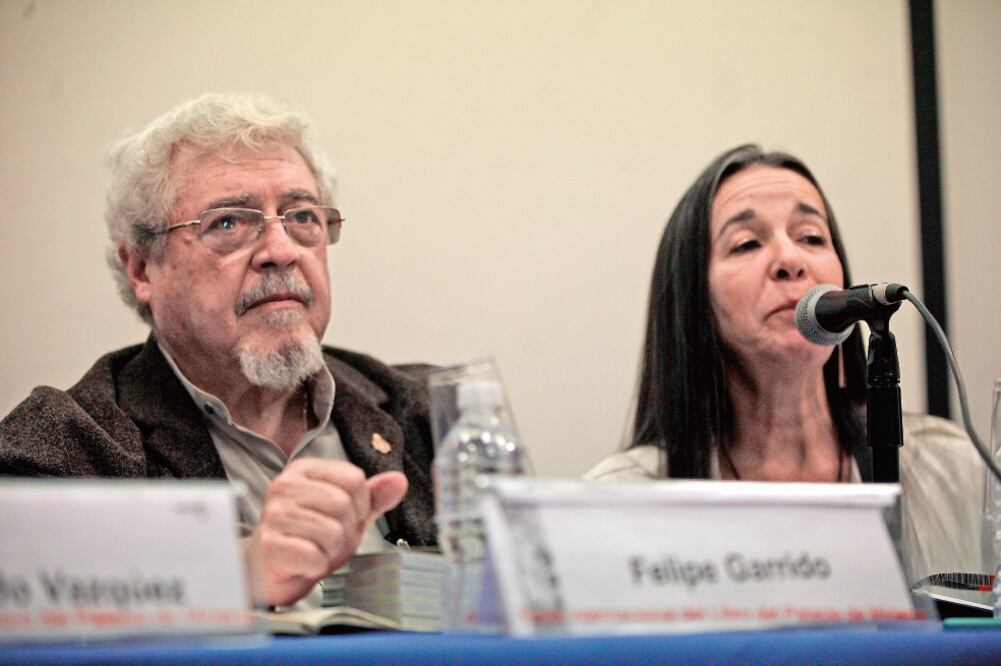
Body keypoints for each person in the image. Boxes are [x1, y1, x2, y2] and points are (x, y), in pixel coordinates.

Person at [0, 92, 436, 608]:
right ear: (142, 268)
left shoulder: (420, 413)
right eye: (229, 222)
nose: (280, 251)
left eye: (301, 216)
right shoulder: (71, 445)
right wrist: (233, 575)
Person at [586, 144, 989, 585]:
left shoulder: (956, 468)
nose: (791, 261)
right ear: (694, 299)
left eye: (812, 237)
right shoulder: (622, 500)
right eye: (747, 243)